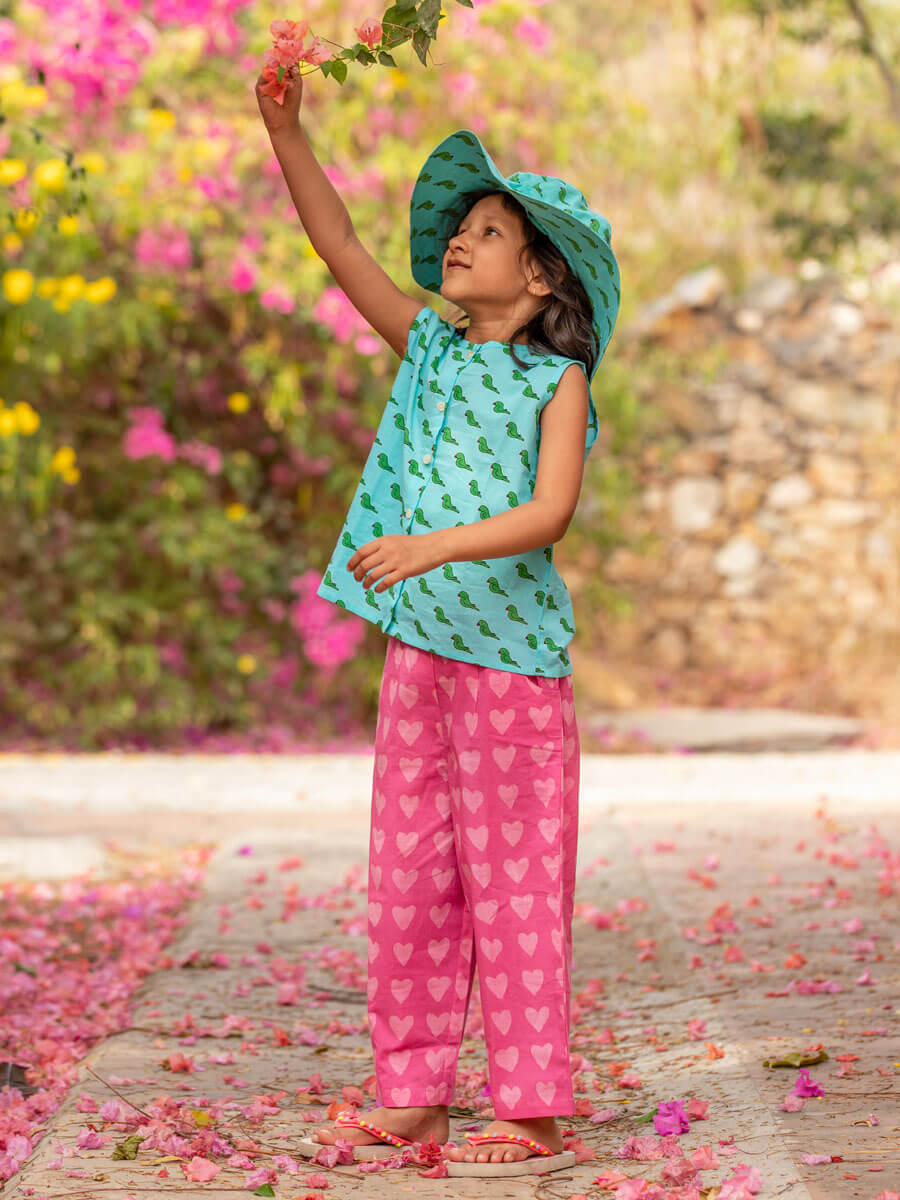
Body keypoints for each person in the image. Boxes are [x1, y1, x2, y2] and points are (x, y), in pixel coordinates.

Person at [256, 70, 620, 1179]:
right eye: (461, 226)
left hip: (513, 673)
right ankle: (412, 1098)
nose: (460, 239)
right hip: (419, 658)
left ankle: (533, 1111)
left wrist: (429, 547)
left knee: (515, 888)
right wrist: (286, 128)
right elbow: (338, 245)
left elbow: (549, 513)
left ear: (540, 272)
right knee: (411, 879)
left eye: (489, 229)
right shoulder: (429, 349)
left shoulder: (556, 381)